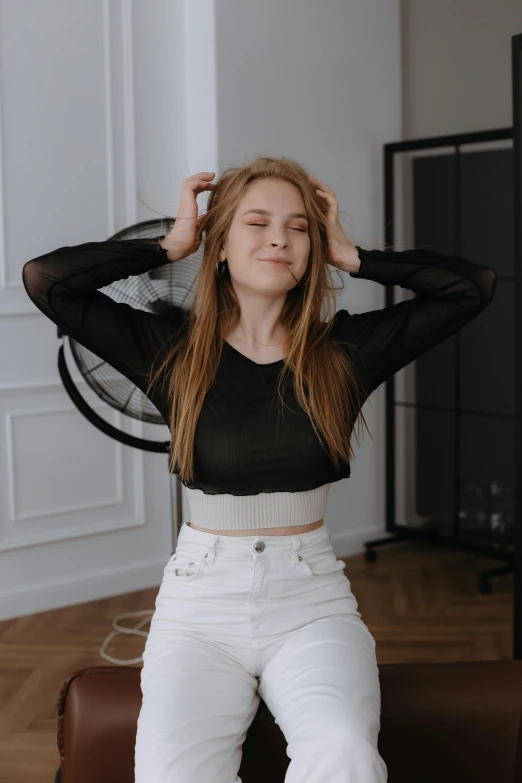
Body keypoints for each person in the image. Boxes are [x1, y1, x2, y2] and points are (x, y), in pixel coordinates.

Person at [22, 155, 497, 782]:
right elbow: (46, 280)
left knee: (345, 755)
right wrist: (170, 247)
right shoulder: (170, 352)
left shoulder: (347, 352)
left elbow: (473, 288)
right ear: (220, 246)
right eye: (257, 222)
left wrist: (355, 258)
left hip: (311, 599)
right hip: (199, 604)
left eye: (299, 227)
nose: (280, 238)